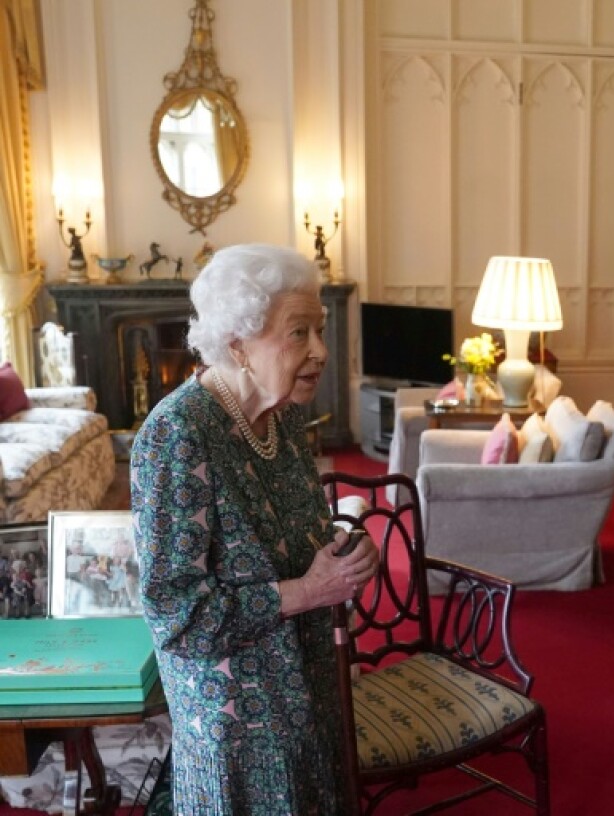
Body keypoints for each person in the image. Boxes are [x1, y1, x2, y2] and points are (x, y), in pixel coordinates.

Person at [131, 243, 379, 815]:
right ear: (237, 343)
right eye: (298, 334)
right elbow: (178, 617)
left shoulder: (284, 417)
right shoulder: (178, 436)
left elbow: (297, 537)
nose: (320, 351)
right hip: (240, 731)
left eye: (319, 331)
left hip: (308, 694)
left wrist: (344, 550)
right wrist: (310, 591)